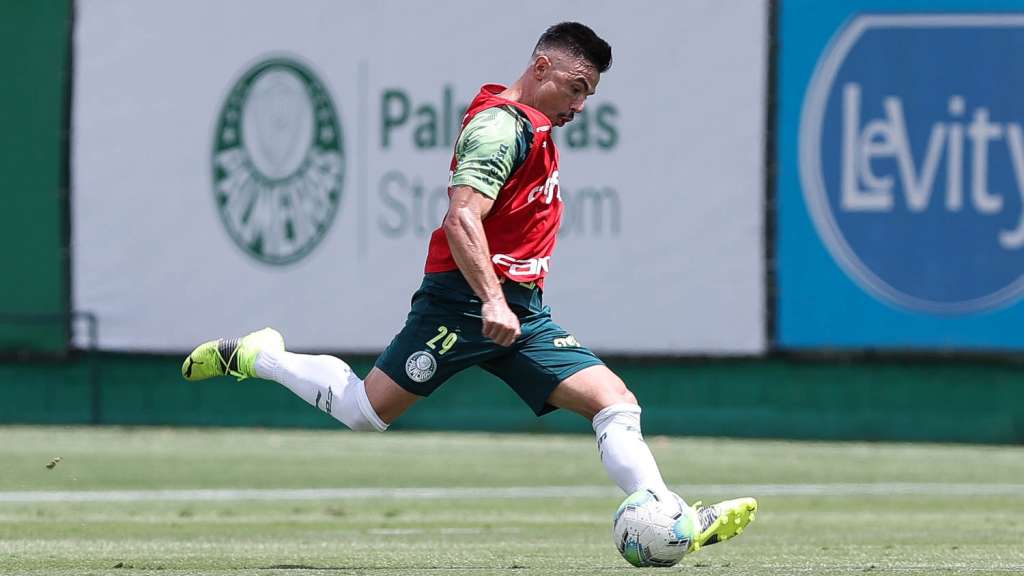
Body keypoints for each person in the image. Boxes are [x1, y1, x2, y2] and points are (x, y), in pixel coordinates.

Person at [182, 22, 756, 554]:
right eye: (576, 87)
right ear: (541, 66)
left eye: (589, 96)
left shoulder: (532, 126)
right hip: (463, 305)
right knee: (365, 411)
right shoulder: (499, 127)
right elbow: (462, 219)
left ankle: (667, 514)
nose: (580, 106)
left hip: (520, 312)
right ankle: (263, 356)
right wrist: (490, 300)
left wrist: (507, 303)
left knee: (616, 405)